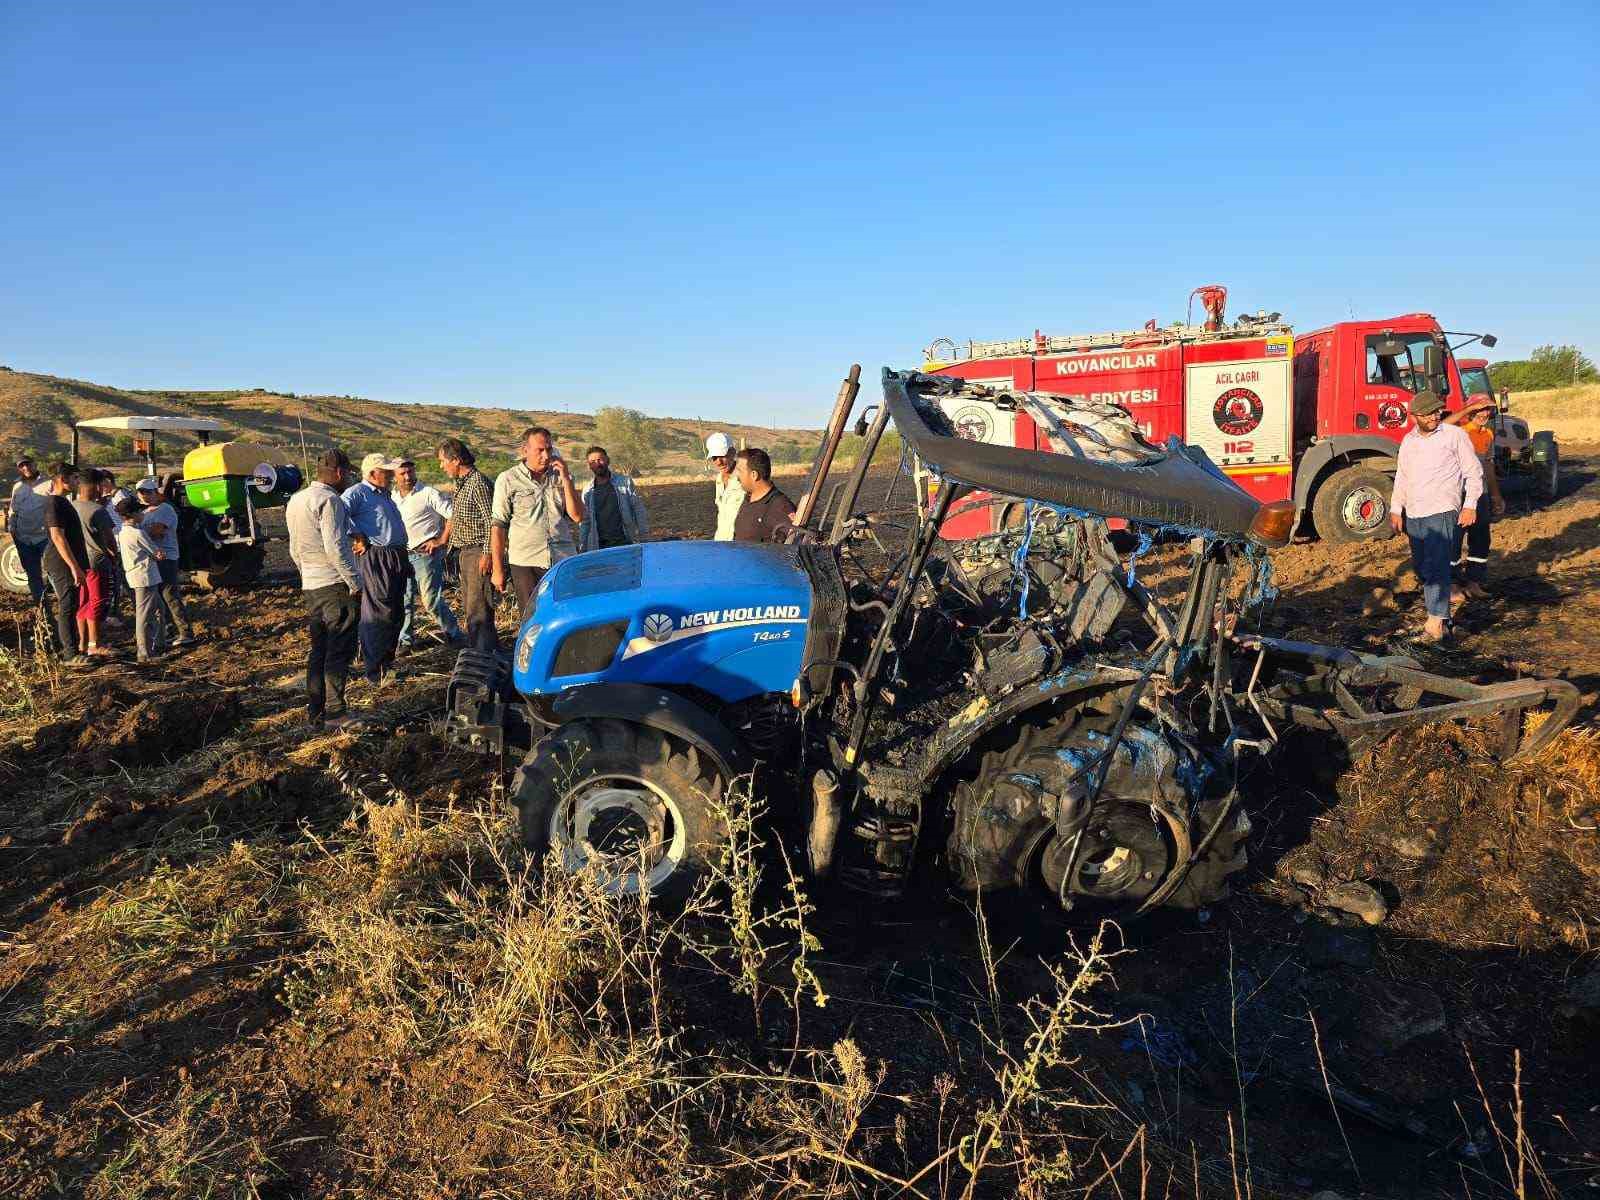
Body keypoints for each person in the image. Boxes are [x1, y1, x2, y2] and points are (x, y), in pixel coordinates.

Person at [1388, 390, 1484, 643]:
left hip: (1442, 509)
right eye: (1428, 413)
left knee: (1437, 565)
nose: (1435, 416)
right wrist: (1396, 508)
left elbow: (1473, 472)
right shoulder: (1409, 441)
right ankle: (1445, 621)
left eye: (1437, 411)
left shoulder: (1455, 436)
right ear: (1414, 416)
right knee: (1422, 567)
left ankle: (1434, 623)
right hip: (1415, 513)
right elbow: (1402, 476)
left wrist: (1470, 504)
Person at [286, 449, 362, 729]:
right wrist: (354, 581)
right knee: (339, 650)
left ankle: (315, 711)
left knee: (319, 650)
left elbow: (294, 548)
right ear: (340, 473)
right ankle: (336, 712)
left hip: (312, 585)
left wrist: (306, 575)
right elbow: (336, 547)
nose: (350, 478)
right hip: (333, 585)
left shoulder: (296, 500)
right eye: (349, 473)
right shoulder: (331, 501)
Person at [490, 427, 583, 619]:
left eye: (549, 449)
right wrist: (498, 569)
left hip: (562, 559)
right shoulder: (508, 479)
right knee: (533, 618)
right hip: (526, 561)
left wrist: (566, 479)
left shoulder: (561, 476)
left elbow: (578, 516)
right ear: (525, 451)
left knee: (567, 614)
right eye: (539, 450)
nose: (546, 455)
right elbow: (498, 526)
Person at [342, 453, 413, 685]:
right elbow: (338, 516)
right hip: (377, 557)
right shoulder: (357, 494)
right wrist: (357, 535)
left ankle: (386, 664)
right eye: (387, 471)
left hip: (396, 555)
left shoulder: (385, 495)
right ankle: (375, 672)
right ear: (373, 474)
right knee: (379, 611)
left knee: (395, 612)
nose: (393, 475)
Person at [393, 458, 464, 650]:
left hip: (425, 553)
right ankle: (405, 641)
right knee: (404, 600)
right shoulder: (392, 497)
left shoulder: (428, 493)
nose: (408, 476)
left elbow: (453, 514)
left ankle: (454, 633)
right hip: (402, 555)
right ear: (395, 475)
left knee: (430, 600)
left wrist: (442, 539)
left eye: (410, 472)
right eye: (403, 473)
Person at [437, 438, 498, 651]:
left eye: (443, 461)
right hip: (466, 553)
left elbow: (493, 521)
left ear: (456, 460)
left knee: (479, 609)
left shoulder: (478, 483)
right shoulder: (461, 483)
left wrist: (488, 554)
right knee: (472, 608)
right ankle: (481, 654)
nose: (442, 466)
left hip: (477, 553)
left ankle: (483, 658)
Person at [1446, 398, 1507, 598]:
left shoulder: (1488, 434)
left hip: (1480, 494)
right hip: (1459, 494)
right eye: (1480, 410)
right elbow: (1441, 426)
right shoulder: (1458, 432)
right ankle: (1452, 585)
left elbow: (1488, 466)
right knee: (1454, 539)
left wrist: (1496, 495)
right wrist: (1468, 408)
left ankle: (1474, 583)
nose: (1484, 414)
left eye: (1487, 410)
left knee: (1481, 538)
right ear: (1470, 411)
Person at [135, 477, 195, 647]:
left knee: (170, 595)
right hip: (154, 558)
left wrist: (136, 534)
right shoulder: (145, 513)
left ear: (156, 492)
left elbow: (157, 532)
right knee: (159, 598)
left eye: (148, 492)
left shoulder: (165, 510)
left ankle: (185, 632)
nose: (144, 496)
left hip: (167, 557)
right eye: (141, 493)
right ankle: (168, 630)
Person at [40, 463, 88, 660]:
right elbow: (58, 537)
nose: (78, 482)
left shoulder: (63, 502)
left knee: (73, 604)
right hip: (61, 563)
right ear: (63, 479)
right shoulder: (53, 503)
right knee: (67, 605)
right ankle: (70, 655)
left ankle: (74, 650)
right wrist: (74, 567)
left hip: (69, 562)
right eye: (75, 478)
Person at [70, 472, 118, 658]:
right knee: (97, 601)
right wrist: (114, 557)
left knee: (83, 601)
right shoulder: (97, 511)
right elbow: (110, 541)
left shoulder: (72, 506)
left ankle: (82, 643)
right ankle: (94, 644)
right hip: (97, 562)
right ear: (96, 486)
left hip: (79, 562)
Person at [114, 496, 166, 664]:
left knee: (158, 610)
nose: (143, 513)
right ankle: (144, 653)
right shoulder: (137, 533)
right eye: (140, 511)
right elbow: (156, 553)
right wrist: (160, 553)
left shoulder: (123, 532)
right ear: (133, 514)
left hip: (137, 576)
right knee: (144, 616)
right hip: (145, 577)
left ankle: (157, 643)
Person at [578, 446, 649, 551]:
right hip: (599, 545)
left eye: (600, 459)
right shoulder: (588, 491)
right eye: (593, 461)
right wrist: (582, 546)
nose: (597, 464)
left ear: (607, 460)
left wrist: (644, 535)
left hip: (625, 541)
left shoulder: (625, 482)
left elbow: (638, 508)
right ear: (589, 466)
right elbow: (585, 521)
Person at [732, 448, 797, 544]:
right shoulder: (748, 498)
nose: (737, 477)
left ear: (754, 475)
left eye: (740, 471)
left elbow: (789, 550)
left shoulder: (781, 507)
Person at [8, 457, 49, 603]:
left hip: (45, 538)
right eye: (22, 466)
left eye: (28, 464)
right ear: (19, 469)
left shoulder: (48, 484)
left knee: (54, 573)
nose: (26, 468)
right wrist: (12, 529)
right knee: (33, 575)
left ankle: (66, 609)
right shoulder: (17, 486)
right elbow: (13, 510)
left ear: (35, 464)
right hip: (24, 539)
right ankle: (42, 608)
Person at [706, 432, 744, 541]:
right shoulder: (719, 480)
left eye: (722, 456)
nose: (719, 462)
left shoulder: (746, 477)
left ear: (732, 452)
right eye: (714, 457)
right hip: (721, 543)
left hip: (741, 544)